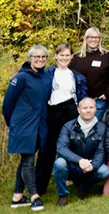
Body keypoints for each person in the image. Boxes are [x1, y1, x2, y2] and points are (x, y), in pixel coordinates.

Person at [4, 45, 50, 211]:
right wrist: (14, 123)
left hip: (39, 126)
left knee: (26, 160)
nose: (40, 59)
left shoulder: (46, 76)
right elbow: (7, 103)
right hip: (23, 126)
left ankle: (17, 196)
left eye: (43, 57)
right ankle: (34, 196)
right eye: (36, 57)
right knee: (29, 160)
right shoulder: (22, 77)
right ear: (30, 58)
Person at [39, 44, 88, 195]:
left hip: (71, 112)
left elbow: (83, 97)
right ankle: (39, 187)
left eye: (67, 55)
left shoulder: (77, 75)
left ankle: (81, 184)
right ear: (56, 56)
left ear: (72, 57)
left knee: (75, 147)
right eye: (61, 55)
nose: (64, 58)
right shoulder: (46, 73)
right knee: (47, 149)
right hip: (52, 113)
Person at [53, 98, 109, 207]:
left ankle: (83, 187)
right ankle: (62, 195)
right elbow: (61, 148)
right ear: (79, 110)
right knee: (59, 163)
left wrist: (92, 166)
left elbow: (101, 151)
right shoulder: (68, 126)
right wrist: (80, 161)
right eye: (85, 108)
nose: (88, 110)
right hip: (71, 165)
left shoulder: (102, 128)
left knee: (104, 171)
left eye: (91, 107)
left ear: (95, 109)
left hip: (89, 166)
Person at [71, 27, 109, 121]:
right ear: (86, 39)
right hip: (80, 100)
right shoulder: (76, 57)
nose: (94, 39)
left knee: (94, 127)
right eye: (91, 37)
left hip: (98, 101)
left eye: (96, 37)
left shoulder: (105, 55)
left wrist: (106, 94)